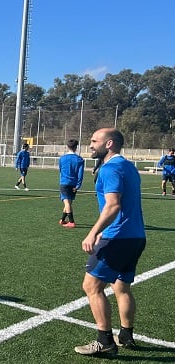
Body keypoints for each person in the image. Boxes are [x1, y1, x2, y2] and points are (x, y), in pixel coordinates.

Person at [74, 128, 146, 356]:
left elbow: (113, 205)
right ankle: (126, 335)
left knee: (91, 286)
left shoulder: (111, 168)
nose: (90, 144)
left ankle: (104, 341)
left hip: (117, 238)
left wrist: (93, 232)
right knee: (121, 287)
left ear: (109, 144)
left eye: (95, 141)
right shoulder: (128, 167)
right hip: (136, 237)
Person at [58, 139, 85, 228]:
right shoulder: (79, 159)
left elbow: (61, 170)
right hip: (73, 184)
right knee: (68, 203)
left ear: (67, 146)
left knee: (67, 203)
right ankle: (62, 220)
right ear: (76, 147)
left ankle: (71, 222)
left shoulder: (62, 158)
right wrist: (78, 185)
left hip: (64, 183)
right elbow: (80, 174)